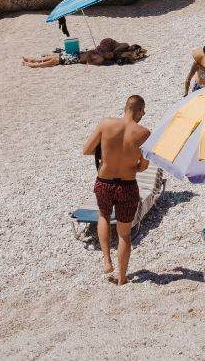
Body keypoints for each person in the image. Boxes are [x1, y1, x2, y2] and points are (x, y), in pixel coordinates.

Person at [81, 95, 150, 285]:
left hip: (104, 181)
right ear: (139, 111)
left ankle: (106, 261)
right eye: (143, 112)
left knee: (103, 215)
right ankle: (122, 277)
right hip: (127, 185)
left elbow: (87, 149)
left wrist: (105, 153)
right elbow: (143, 165)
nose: (143, 115)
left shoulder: (106, 124)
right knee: (124, 234)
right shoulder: (144, 133)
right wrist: (133, 166)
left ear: (125, 107)